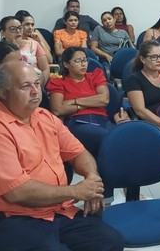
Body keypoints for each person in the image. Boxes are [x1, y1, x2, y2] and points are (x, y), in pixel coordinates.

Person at [0, 61, 124, 251]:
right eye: (25, 86)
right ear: (3, 93)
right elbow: (17, 193)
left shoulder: (44, 117)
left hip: (54, 210)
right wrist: (76, 191)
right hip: (8, 218)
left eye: (37, 84)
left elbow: (79, 153)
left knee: (110, 241)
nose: (35, 91)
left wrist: (91, 180)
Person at [47, 47, 131, 204]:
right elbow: (58, 109)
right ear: (66, 64)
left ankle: (128, 189)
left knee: (123, 139)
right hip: (77, 123)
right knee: (108, 140)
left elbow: (104, 99)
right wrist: (91, 101)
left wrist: (74, 102)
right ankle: (105, 196)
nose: (83, 64)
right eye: (77, 61)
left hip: (102, 120)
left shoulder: (95, 75)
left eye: (85, 60)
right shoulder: (58, 82)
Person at [0, 16, 51, 86]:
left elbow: (45, 69)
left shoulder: (33, 44)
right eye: (13, 29)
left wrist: (38, 86)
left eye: (20, 28)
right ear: (2, 32)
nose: (18, 31)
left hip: (35, 83)